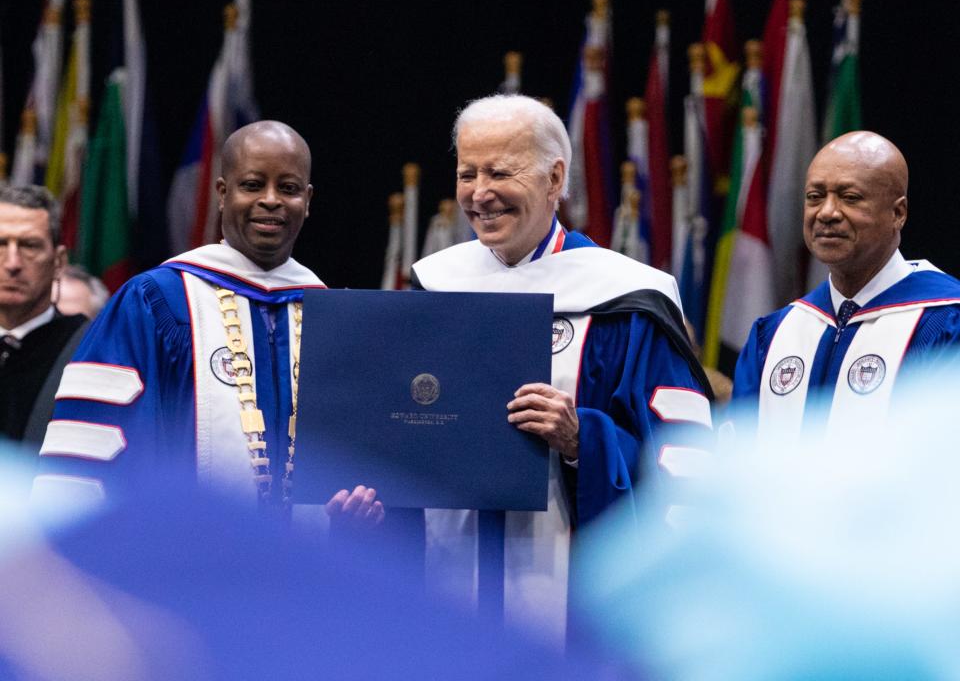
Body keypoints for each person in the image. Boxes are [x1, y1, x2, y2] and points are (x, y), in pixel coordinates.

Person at [412, 95, 714, 644]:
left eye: (501, 172)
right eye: (467, 173)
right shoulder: (434, 289)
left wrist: (582, 440)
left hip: (576, 605)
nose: (480, 193)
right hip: (447, 595)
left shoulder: (626, 299)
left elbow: (684, 462)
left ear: (555, 180)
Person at [37, 121, 382, 525]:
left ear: (307, 201)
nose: (270, 200)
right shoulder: (157, 301)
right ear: (222, 193)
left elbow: (357, 461)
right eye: (252, 184)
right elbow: (94, 451)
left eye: (287, 189)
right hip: (180, 568)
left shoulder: (332, 315)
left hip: (303, 574)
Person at [733, 131, 960, 439]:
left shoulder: (944, 323)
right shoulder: (773, 335)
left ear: (898, 213)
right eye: (815, 197)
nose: (827, 213)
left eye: (850, 197)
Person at [0, 185, 87, 449]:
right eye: (1, 244)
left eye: (29, 246)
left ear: (59, 262)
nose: (13, 263)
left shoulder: (89, 348)